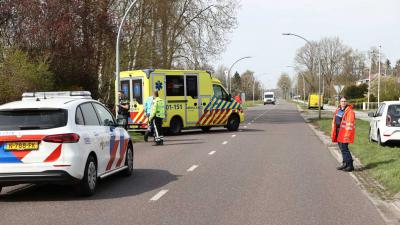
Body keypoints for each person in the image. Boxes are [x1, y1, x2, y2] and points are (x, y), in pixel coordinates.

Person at [331, 97, 356, 172]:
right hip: (338, 131)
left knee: (345, 149)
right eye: (342, 101)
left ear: (346, 102)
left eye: (345, 101)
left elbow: (350, 123)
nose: (343, 102)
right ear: (340, 102)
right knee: (342, 148)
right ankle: (345, 163)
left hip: (345, 132)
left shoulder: (349, 111)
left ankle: (350, 165)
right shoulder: (338, 110)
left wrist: (347, 134)